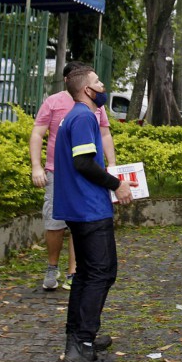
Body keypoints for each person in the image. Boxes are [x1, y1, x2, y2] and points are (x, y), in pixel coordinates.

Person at [54, 65, 134, 362]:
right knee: (102, 273)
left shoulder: (73, 116)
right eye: (98, 82)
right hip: (89, 208)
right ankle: (83, 346)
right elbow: (84, 163)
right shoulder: (85, 117)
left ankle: (76, 338)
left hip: (77, 207)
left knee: (87, 274)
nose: (103, 86)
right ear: (87, 90)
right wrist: (117, 185)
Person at [31, 62, 118, 291]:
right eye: (96, 81)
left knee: (80, 224)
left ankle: (74, 271)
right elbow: (38, 133)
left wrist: (112, 165)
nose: (101, 85)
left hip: (86, 175)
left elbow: (105, 134)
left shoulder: (93, 108)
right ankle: (52, 266)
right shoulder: (60, 105)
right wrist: (36, 167)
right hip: (59, 172)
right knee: (55, 223)